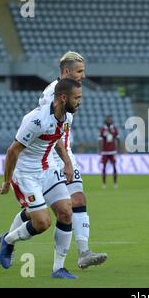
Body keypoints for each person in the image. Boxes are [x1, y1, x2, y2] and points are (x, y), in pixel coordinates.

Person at [0, 78, 82, 279]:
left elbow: (58, 139)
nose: (80, 102)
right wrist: (7, 181)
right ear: (63, 98)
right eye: (77, 98)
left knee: (66, 212)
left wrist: (67, 163)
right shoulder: (37, 120)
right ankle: (8, 240)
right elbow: (12, 151)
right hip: (26, 174)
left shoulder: (66, 117)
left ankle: (58, 269)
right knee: (43, 223)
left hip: (48, 169)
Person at [37, 51, 108, 269]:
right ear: (67, 71)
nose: (83, 76)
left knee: (78, 199)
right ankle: (10, 238)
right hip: (51, 156)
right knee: (46, 212)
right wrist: (66, 161)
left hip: (66, 153)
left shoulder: (70, 92)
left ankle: (84, 252)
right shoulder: (52, 94)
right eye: (80, 71)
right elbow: (50, 132)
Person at [99, 115, 119, 188]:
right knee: (104, 167)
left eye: (110, 119)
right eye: (107, 119)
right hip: (105, 151)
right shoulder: (103, 129)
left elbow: (117, 139)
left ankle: (115, 183)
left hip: (112, 151)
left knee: (114, 167)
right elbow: (100, 140)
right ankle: (104, 183)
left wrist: (117, 150)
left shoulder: (114, 129)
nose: (109, 121)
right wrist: (100, 150)